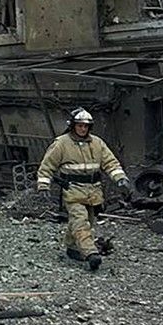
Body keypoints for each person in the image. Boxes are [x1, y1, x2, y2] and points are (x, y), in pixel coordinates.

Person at [37, 108, 130, 271]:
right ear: (73, 126)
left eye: (86, 126)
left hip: (94, 191)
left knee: (87, 221)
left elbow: (110, 163)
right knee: (81, 221)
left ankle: (73, 249)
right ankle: (90, 253)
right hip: (73, 191)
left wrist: (120, 178)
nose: (83, 129)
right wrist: (43, 185)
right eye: (79, 125)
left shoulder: (97, 143)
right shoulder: (61, 144)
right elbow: (47, 166)